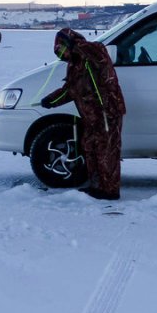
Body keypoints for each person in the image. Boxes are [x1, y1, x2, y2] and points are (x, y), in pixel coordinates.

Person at [40, 28, 126, 200]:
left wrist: (77, 46)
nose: (61, 54)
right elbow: (70, 90)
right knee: (90, 147)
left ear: (67, 43)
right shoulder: (74, 63)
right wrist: (51, 100)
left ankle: (110, 191)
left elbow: (97, 55)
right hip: (91, 116)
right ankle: (97, 187)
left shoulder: (92, 50)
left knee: (106, 150)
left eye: (62, 49)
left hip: (106, 112)